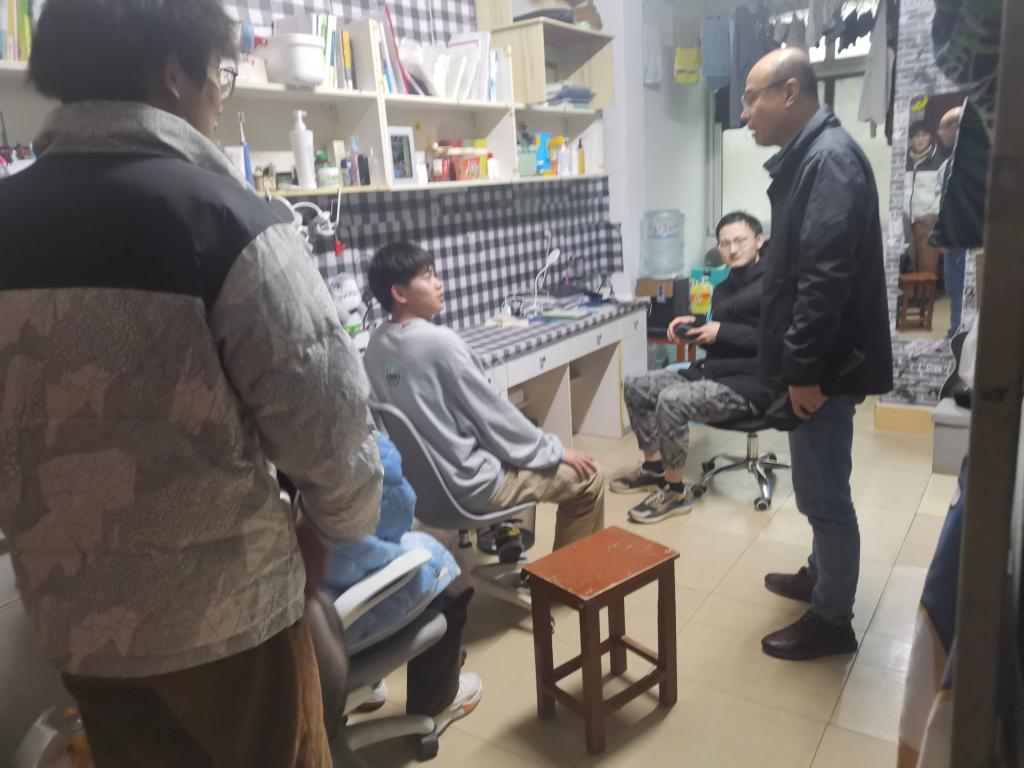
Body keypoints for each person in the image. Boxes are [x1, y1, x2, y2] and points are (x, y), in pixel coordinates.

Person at [0, 1, 384, 765]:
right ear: (173, 71)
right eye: (220, 75)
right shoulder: (229, 221)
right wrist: (326, 533)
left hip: (77, 622)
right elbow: (336, 442)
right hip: (228, 627)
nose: (218, 97)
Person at [741, 48, 893, 660]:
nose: (744, 113)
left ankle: (832, 619)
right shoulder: (816, 155)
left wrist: (803, 371)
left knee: (825, 497)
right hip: (820, 367)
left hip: (823, 372)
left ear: (788, 92)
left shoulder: (828, 160)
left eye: (752, 97)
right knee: (816, 486)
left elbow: (823, 279)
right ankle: (819, 575)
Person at [364, 242, 605, 554]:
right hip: (471, 488)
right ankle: (566, 582)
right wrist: (555, 451)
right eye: (427, 276)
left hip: (422, 495)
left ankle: (506, 532)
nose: (438, 284)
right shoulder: (439, 343)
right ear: (399, 293)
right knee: (590, 477)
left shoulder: (376, 345)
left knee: (503, 443)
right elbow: (495, 419)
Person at [613, 212, 782, 524]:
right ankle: (654, 468)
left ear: (758, 240)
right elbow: (726, 327)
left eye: (740, 241)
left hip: (753, 382)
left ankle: (674, 491)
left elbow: (777, 339)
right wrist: (696, 324)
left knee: (672, 399)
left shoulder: (776, 283)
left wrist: (721, 331)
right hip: (716, 370)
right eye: (725, 243)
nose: (732, 249)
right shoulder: (725, 285)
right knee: (636, 385)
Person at [319, 433, 481, 733]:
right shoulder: (336, 439)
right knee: (445, 556)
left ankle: (359, 692)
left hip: (272, 647)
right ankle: (438, 702)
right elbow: (397, 510)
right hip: (331, 628)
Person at [934, 106, 966, 336]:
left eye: (942, 127)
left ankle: (962, 331)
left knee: (967, 287)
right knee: (954, 286)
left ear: (956, 127)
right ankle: (956, 328)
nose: (939, 133)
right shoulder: (947, 165)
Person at [904, 122, 944, 275]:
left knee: (927, 271)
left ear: (931, 137)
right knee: (907, 268)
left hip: (927, 223)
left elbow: (943, 192)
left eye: (924, 135)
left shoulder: (940, 161)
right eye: (916, 136)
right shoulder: (902, 162)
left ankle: (926, 293)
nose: (920, 139)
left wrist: (933, 214)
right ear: (911, 139)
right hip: (906, 224)